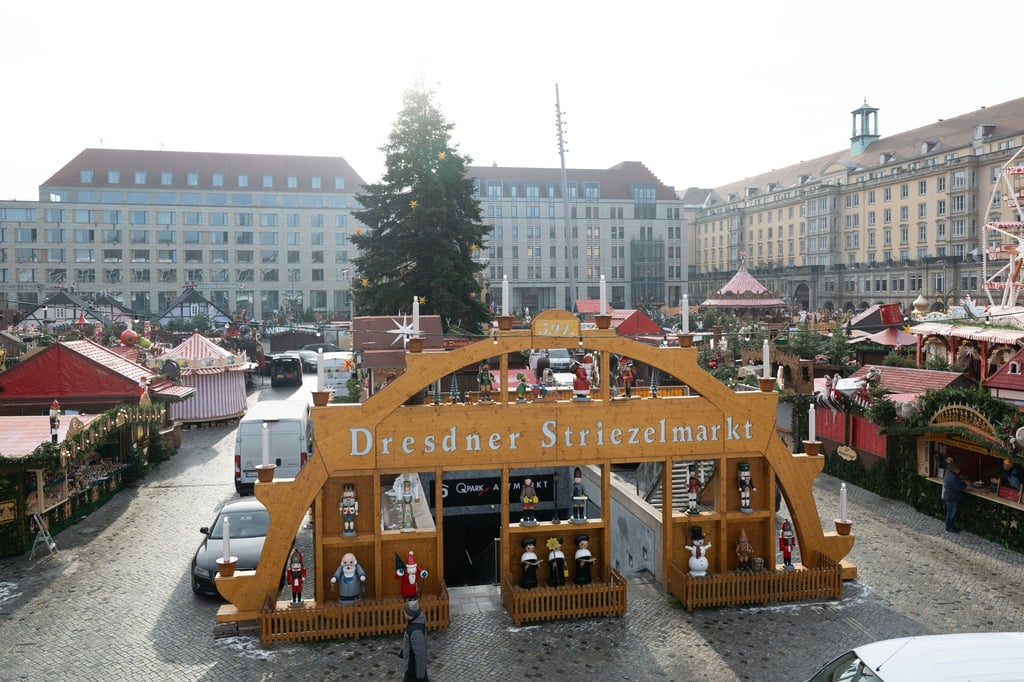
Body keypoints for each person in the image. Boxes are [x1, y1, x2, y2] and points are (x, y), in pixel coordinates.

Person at [400, 599, 429, 682]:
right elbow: (411, 643)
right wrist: (403, 651)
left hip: (413, 671)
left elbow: (420, 655)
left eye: (405, 611)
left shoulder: (416, 631)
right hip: (412, 667)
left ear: (409, 614)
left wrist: (420, 676)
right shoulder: (414, 622)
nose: (403, 612)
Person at [942, 459, 966, 533]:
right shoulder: (953, 477)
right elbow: (959, 488)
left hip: (949, 496)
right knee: (951, 513)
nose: (959, 470)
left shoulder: (949, 474)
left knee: (950, 512)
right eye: (959, 469)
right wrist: (965, 485)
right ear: (955, 469)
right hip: (952, 497)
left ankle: (950, 526)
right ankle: (950, 528)